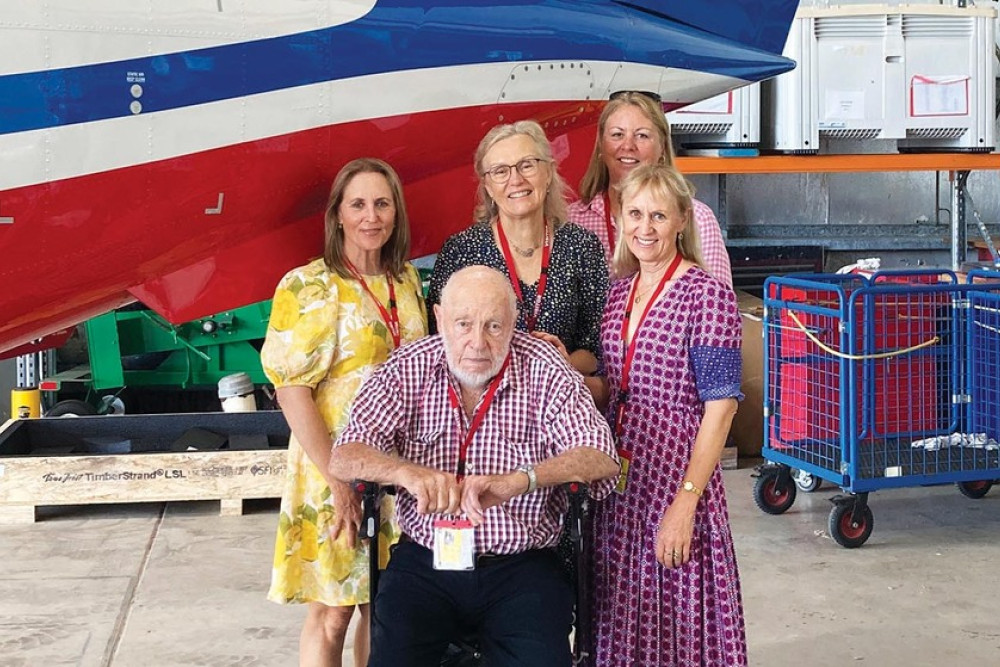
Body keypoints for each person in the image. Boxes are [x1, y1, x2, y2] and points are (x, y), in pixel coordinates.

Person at [329, 265, 620, 667]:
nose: (477, 342)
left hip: (521, 565)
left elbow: (600, 454)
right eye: (463, 324)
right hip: (426, 559)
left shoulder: (544, 368)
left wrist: (521, 481)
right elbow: (345, 453)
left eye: (494, 326)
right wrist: (405, 473)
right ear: (440, 318)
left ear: (514, 323)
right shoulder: (408, 366)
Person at [261, 158, 428, 667]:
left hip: (398, 468)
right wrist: (340, 481)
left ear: (396, 212)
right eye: (358, 204)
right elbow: (292, 391)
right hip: (332, 466)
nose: (370, 216)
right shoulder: (310, 285)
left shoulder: (407, 282)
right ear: (337, 215)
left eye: (382, 203)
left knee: (385, 607)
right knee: (334, 609)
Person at [589, 164, 746, 666]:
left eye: (659, 215)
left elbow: (720, 408)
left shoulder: (708, 295)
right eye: (634, 214)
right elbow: (613, 382)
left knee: (678, 614)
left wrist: (686, 503)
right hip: (620, 479)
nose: (645, 227)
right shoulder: (617, 294)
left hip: (677, 473)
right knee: (622, 613)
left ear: (682, 219)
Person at [426, 120, 609, 403]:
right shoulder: (460, 251)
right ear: (487, 185)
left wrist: (560, 364)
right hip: (480, 408)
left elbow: (596, 346)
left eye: (527, 165)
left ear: (548, 172)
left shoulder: (582, 246)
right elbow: (438, 340)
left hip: (557, 403)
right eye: (500, 171)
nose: (516, 180)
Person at [568, 91, 734, 288]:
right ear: (601, 147)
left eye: (642, 135)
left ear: (662, 146)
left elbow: (718, 306)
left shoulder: (698, 219)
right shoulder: (571, 220)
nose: (628, 145)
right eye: (617, 135)